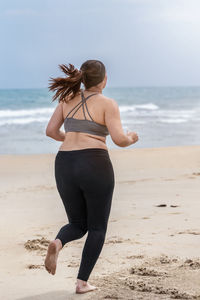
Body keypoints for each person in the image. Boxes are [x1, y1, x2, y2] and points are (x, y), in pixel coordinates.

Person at [44, 59, 139, 294]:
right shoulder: (108, 103)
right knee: (97, 227)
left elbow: (51, 131)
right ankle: (82, 282)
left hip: (64, 163)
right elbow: (119, 139)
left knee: (77, 223)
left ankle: (58, 243)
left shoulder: (67, 99)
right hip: (94, 163)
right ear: (105, 80)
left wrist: (73, 138)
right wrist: (132, 137)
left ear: (82, 79)